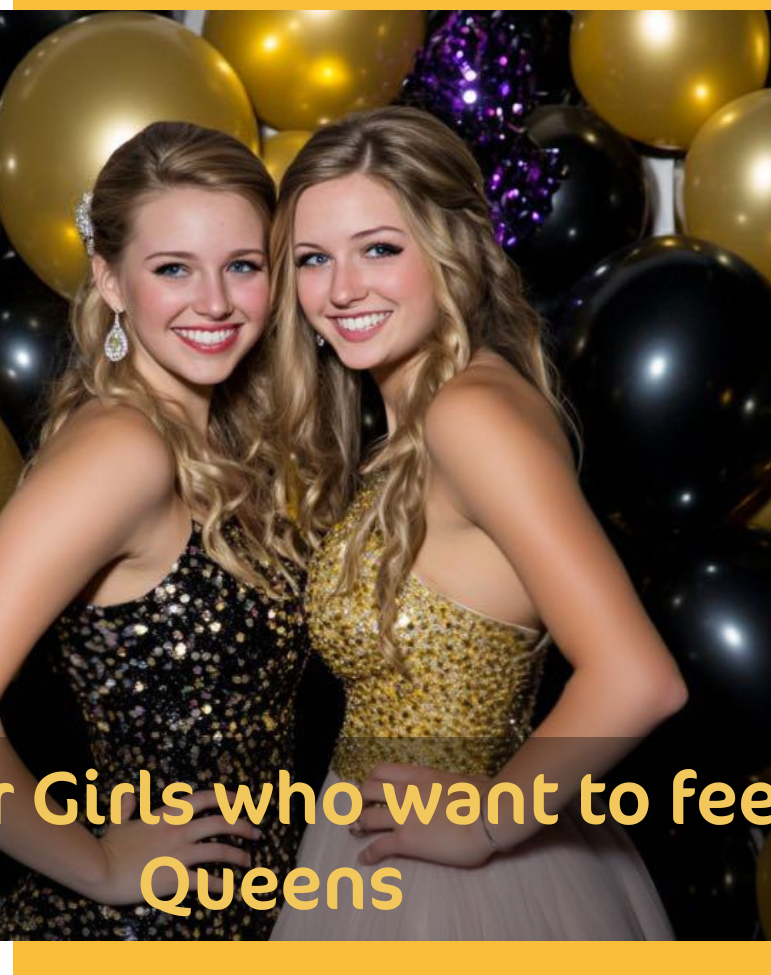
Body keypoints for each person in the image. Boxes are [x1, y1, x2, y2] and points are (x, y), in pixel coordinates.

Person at [0, 121, 310, 940]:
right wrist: (102, 867)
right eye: (173, 268)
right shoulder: (123, 451)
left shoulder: (215, 439)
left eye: (243, 266)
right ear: (110, 279)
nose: (215, 302)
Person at [267, 107, 686, 940]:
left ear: (450, 250)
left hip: (455, 886)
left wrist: (488, 823)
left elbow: (639, 676)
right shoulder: (420, 418)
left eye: (379, 249)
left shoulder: (471, 415)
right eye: (314, 259)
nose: (342, 289)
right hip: (373, 849)